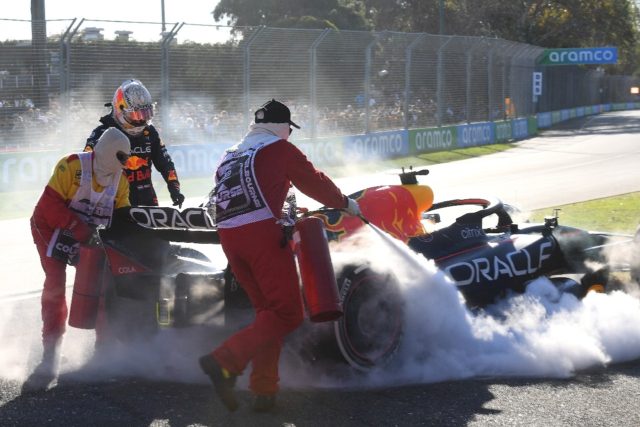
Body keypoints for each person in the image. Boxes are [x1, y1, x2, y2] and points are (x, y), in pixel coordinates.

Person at [199, 99, 361, 412]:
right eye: (289, 128)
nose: (289, 133)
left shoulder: (232, 152)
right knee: (287, 314)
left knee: (268, 314)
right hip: (261, 234)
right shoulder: (280, 148)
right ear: (281, 126)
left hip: (229, 237)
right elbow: (314, 181)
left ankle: (264, 391)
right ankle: (223, 361)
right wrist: (344, 202)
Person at [25, 127, 131, 391]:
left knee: (106, 284)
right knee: (55, 283)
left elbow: (122, 221)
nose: (124, 163)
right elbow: (49, 208)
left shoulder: (122, 181)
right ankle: (50, 355)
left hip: (87, 235)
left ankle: (102, 353)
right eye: (120, 156)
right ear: (106, 150)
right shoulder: (71, 165)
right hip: (48, 228)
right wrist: (82, 231)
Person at [84, 79, 185, 208]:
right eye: (136, 115)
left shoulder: (150, 132)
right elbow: (86, 164)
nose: (141, 121)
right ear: (120, 109)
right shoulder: (102, 132)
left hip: (147, 199)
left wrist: (174, 187)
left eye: (145, 114)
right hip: (113, 202)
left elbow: (165, 163)